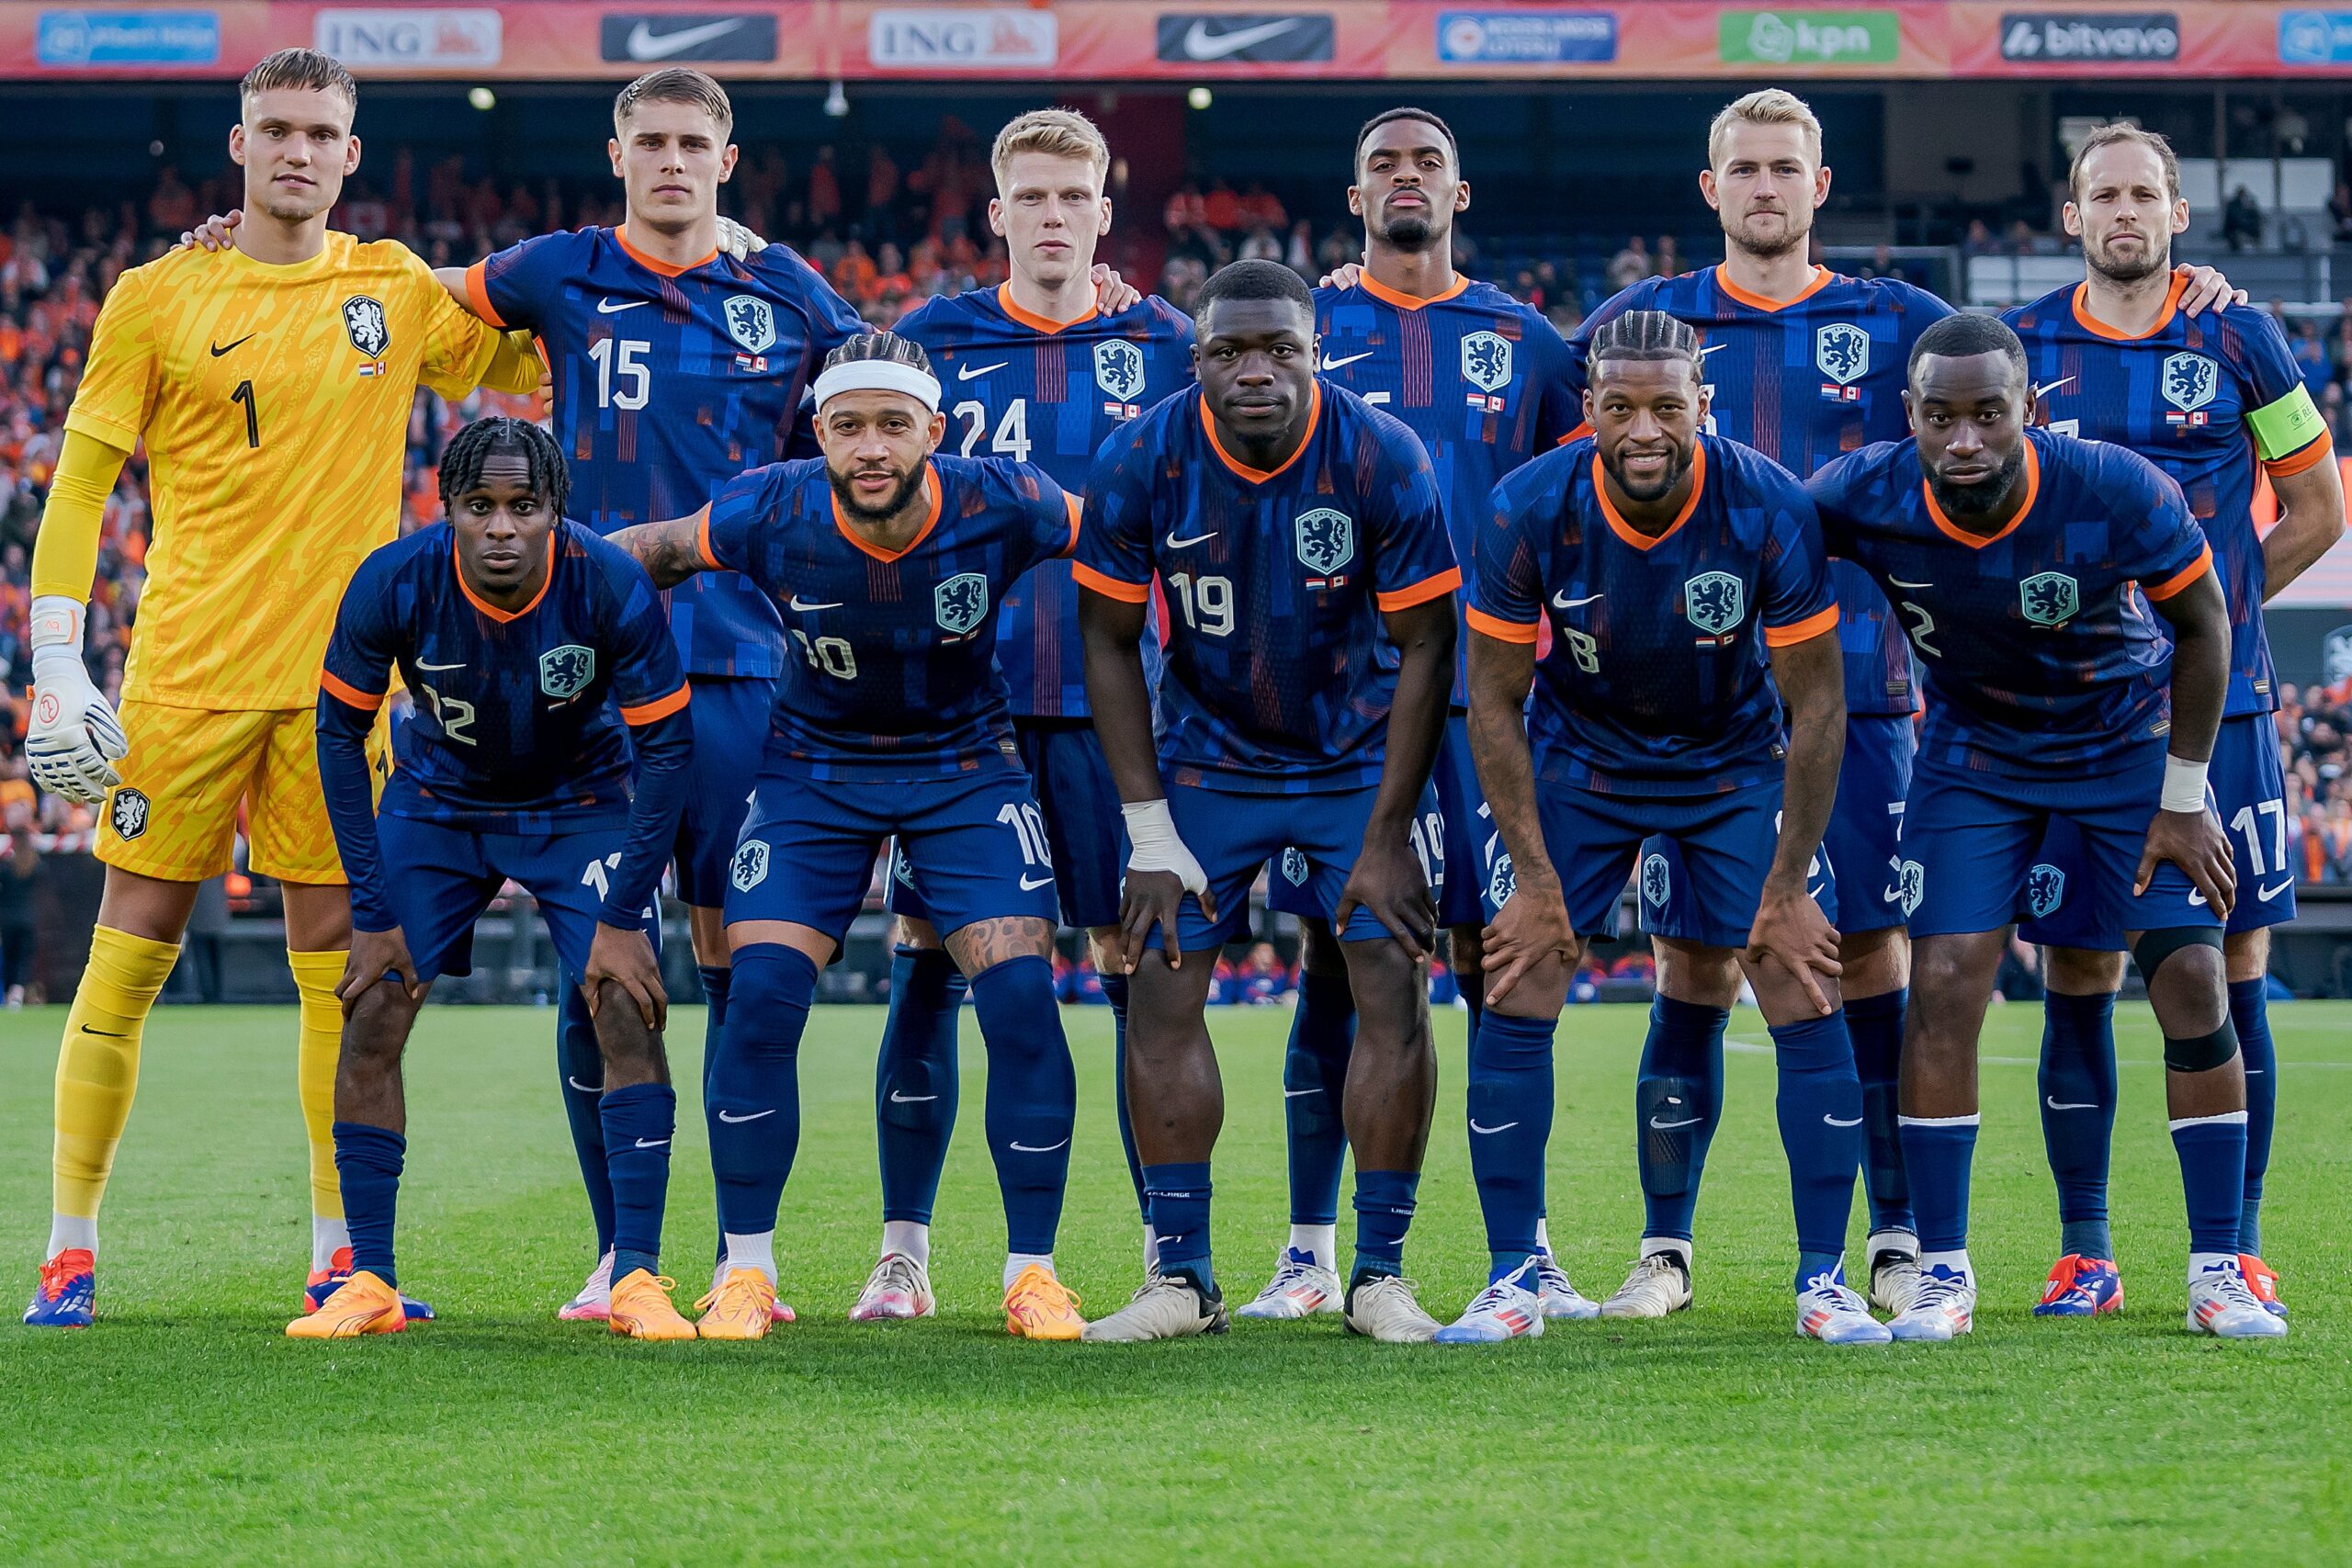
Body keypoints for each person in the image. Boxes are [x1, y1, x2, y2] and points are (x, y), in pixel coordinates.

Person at [1565, 88, 2242, 1322]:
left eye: (1788, 167)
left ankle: (1897, 1237)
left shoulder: (1901, 319)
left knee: (1880, 958)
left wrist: (2190, 292)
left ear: (1820, 187)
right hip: (1704, 708)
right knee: (1694, 960)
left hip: (1867, 704)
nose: (1766, 186)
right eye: (1745, 168)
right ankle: (1666, 1246)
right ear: (1709, 189)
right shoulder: (1637, 326)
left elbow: (2031, 346)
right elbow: (1595, 483)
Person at [23, 49, 540, 1330]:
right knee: (122, 964)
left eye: (322, 130)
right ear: (238, 142)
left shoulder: (397, 286)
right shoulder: (155, 293)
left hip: (341, 698)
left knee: (337, 973)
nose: (299, 149)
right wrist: (51, 656)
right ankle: (68, 1249)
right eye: (277, 128)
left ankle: (337, 1255)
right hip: (186, 681)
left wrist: (690, 246)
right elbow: (82, 482)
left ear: (352, 153)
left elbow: (536, 365)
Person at [608, 333, 1091, 1343]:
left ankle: (1032, 1274)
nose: (870, 447)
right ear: (818, 431)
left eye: (892, 424)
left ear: (934, 430)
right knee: (763, 1000)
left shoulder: (1007, 498)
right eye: (847, 426)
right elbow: (641, 555)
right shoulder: (770, 506)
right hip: (812, 773)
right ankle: (746, 1272)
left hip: (965, 768)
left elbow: (1128, 540)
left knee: (1015, 998)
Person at [1812, 312, 2284, 1341]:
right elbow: (1765, 540)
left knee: (2194, 977)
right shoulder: (1868, 490)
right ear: (1911, 416)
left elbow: (2205, 627)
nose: (1965, 439)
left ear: (2030, 409)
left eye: (1989, 415)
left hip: (2122, 752)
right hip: (1975, 761)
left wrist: (2180, 792)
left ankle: (2215, 1269)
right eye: (1942, 417)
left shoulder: (2112, 488)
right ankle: (1941, 1270)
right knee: (1939, 986)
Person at [1455, 310, 1871, 1346]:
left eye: (1666, 408)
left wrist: (1784, 890)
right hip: (1580, 756)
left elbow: (1817, 707)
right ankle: (1516, 1275)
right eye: (1618, 407)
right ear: (1588, 408)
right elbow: (1494, 701)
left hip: (1730, 761)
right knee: (1522, 964)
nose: (1643, 429)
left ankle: (1822, 1279)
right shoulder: (1528, 507)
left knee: (1796, 968)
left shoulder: (1766, 506)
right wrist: (1532, 877)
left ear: (1704, 406)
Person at [1074, 259, 1461, 1344]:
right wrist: (1147, 830)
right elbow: (1105, 643)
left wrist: (1388, 833)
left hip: (1352, 758)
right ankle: (1181, 1278)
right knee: (1158, 981)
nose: (1254, 371)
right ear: (1194, 360)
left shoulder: (1381, 452)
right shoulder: (1141, 455)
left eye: (1278, 350)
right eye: (1228, 353)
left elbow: (1430, 644)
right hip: (1207, 762)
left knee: (1388, 974)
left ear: (1315, 353)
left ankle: (1378, 1274)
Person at [2002, 123, 2343, 1319]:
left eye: (2147, 192)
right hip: (2075, 714)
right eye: (2106, 194)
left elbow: (2316, 503)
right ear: (2071, 214)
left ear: (2181, 213)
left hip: (2226, 698)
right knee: (2079, 961)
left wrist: (2227, 605)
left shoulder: (2240, 330)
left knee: (2233, 954)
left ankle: (2235, 1248)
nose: (2127, 211)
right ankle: (2083, 1248)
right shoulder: (2029, 344)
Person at [859, 109, 1193, 1320]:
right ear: (997, 214)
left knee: (1138, 982)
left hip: (1119, 718)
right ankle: (903, 1249)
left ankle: (1169, 1248)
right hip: (960, 718)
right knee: (923, 974)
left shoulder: (1169, 344)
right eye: (1033, 197)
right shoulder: (932, 342)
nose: (1055, 217)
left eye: (1076, 197)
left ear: (1107, 214)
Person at [1262, 107, 1587, 1324]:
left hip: (1490, 701)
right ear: (1356, 197)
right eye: (1384, 166)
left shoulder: (1528, 341)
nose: (1407, 180)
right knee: (1337, 966)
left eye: (1428, 164)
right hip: (1342, 711)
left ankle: (1527, 1246)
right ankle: (1309, 1250)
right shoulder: (1308, 327)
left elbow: (1583, 503)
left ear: (1463, 191)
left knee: (1508, 962)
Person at [294, 417, 695, 1340]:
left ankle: (635, 1275)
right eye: (481, 506)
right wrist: (370, 907)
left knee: (624, 1000)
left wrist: (626, 912)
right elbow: (335, 734)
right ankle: (371, 1280)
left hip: (582, 802)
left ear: (556, 511)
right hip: (440, 803)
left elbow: (667, 747)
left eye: (525, 506)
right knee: (374, 1004)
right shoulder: (393, 580)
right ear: (448, 512)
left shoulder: (608, 581)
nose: (503, 527)